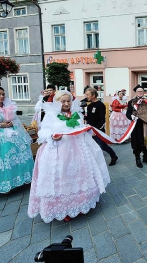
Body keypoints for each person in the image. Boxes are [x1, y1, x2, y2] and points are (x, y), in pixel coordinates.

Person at [28, 90, 111, 223]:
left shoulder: (76, 113)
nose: (66, 104)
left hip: (78, 150)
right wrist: (52, 136)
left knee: (81, 175)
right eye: (63, 101)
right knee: (62, 177)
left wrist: (88, 129)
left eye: (68, 101)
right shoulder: (51, 114)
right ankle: (62, 208)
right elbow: (43, 131)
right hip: (59, 151)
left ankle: (82, 202)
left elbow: (80, 128)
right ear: (57, 102)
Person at [126, 85, 147, 168]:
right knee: (138, 142)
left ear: (143, 92)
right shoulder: (131, 102)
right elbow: (128, 113)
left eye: (141, 91)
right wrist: (131, 116)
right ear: (136, 92)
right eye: (138, 91)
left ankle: (145, 157)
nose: (140, 93)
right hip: (137, 126)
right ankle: (137, 159)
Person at [84, 88, 118, 166]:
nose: (86, 96)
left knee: (103, 146)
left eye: (88, 94)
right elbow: (88, 117)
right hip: (89, 129)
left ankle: (114, 156)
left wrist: (95, 131)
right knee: (90, 145)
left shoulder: (100, 105)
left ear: (93, 95)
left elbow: (102, 119)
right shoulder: (90, 105)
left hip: (97, 130)